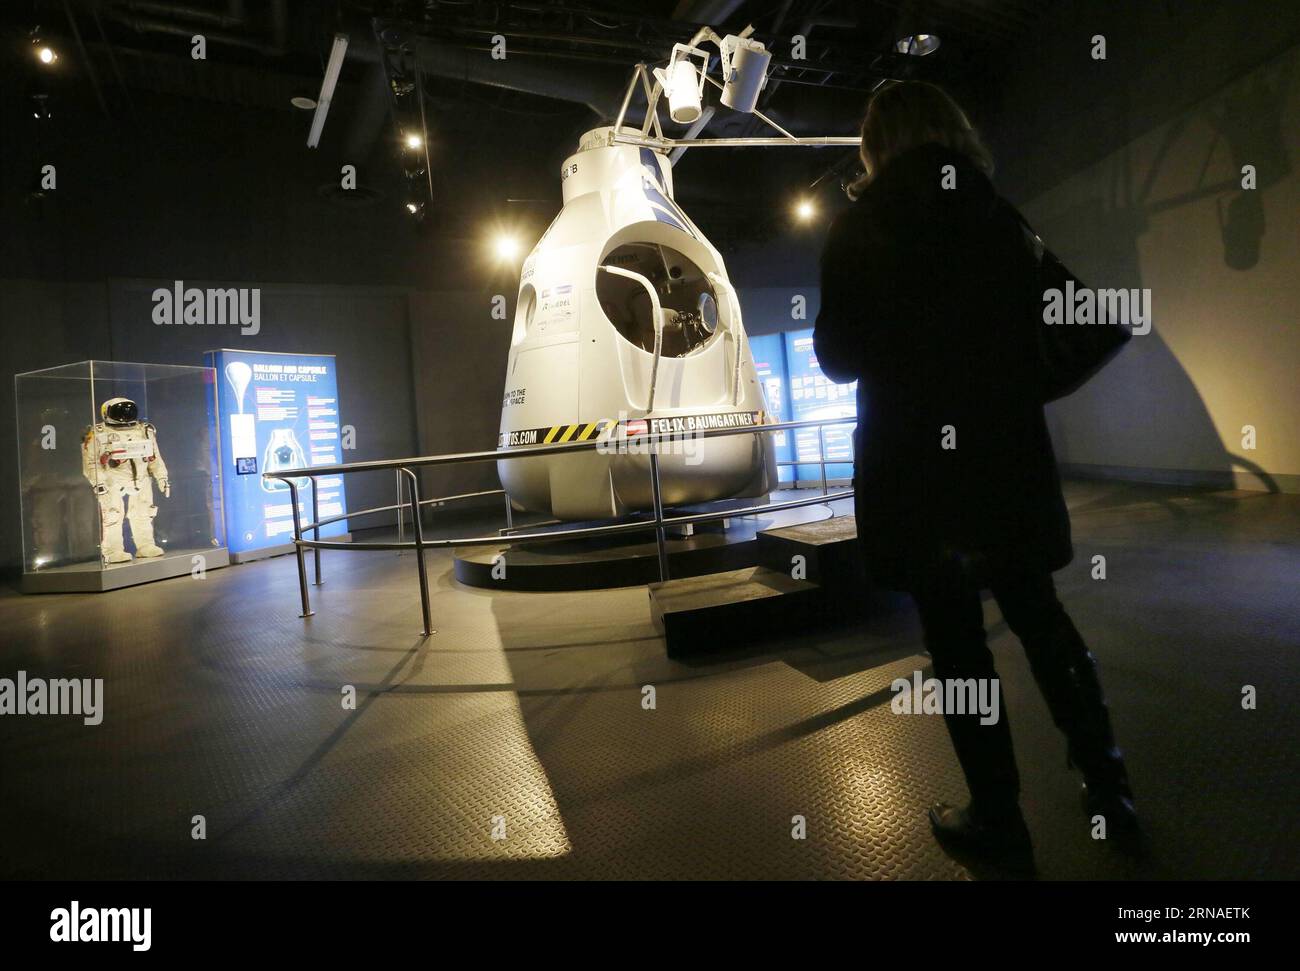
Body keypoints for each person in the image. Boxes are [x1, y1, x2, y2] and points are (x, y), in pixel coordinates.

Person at [813, 81, 1139, 874]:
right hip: (1003, 464)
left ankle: (999, 817)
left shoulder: (859, 229)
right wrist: (1025, 383)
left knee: (958, 652)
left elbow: (836, 357)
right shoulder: (998, 219)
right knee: (1043, 621)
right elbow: (1096, 321)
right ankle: (1110, 786)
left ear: (876, 144)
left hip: (915, 476)